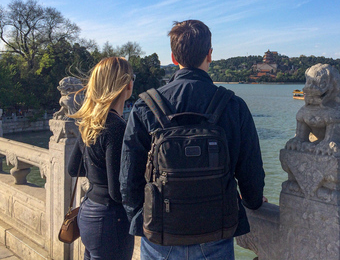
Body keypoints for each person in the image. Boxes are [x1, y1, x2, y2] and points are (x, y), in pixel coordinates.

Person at [120, 20, 266, 260]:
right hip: (215, 234)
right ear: (209, 54)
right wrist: (253, 201)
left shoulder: (145, 105)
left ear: (173, 57)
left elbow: (128, 178)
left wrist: (142, 220)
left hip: (159, 237)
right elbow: (251, 173)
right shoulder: (233, 106)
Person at [68, 57, 135, 260]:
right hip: (110, 220)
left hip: (88, 212)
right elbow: (117, 192)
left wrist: (98, 175)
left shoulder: (90, 122)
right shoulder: (117, 128)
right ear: (127, 84)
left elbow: (73, 169)